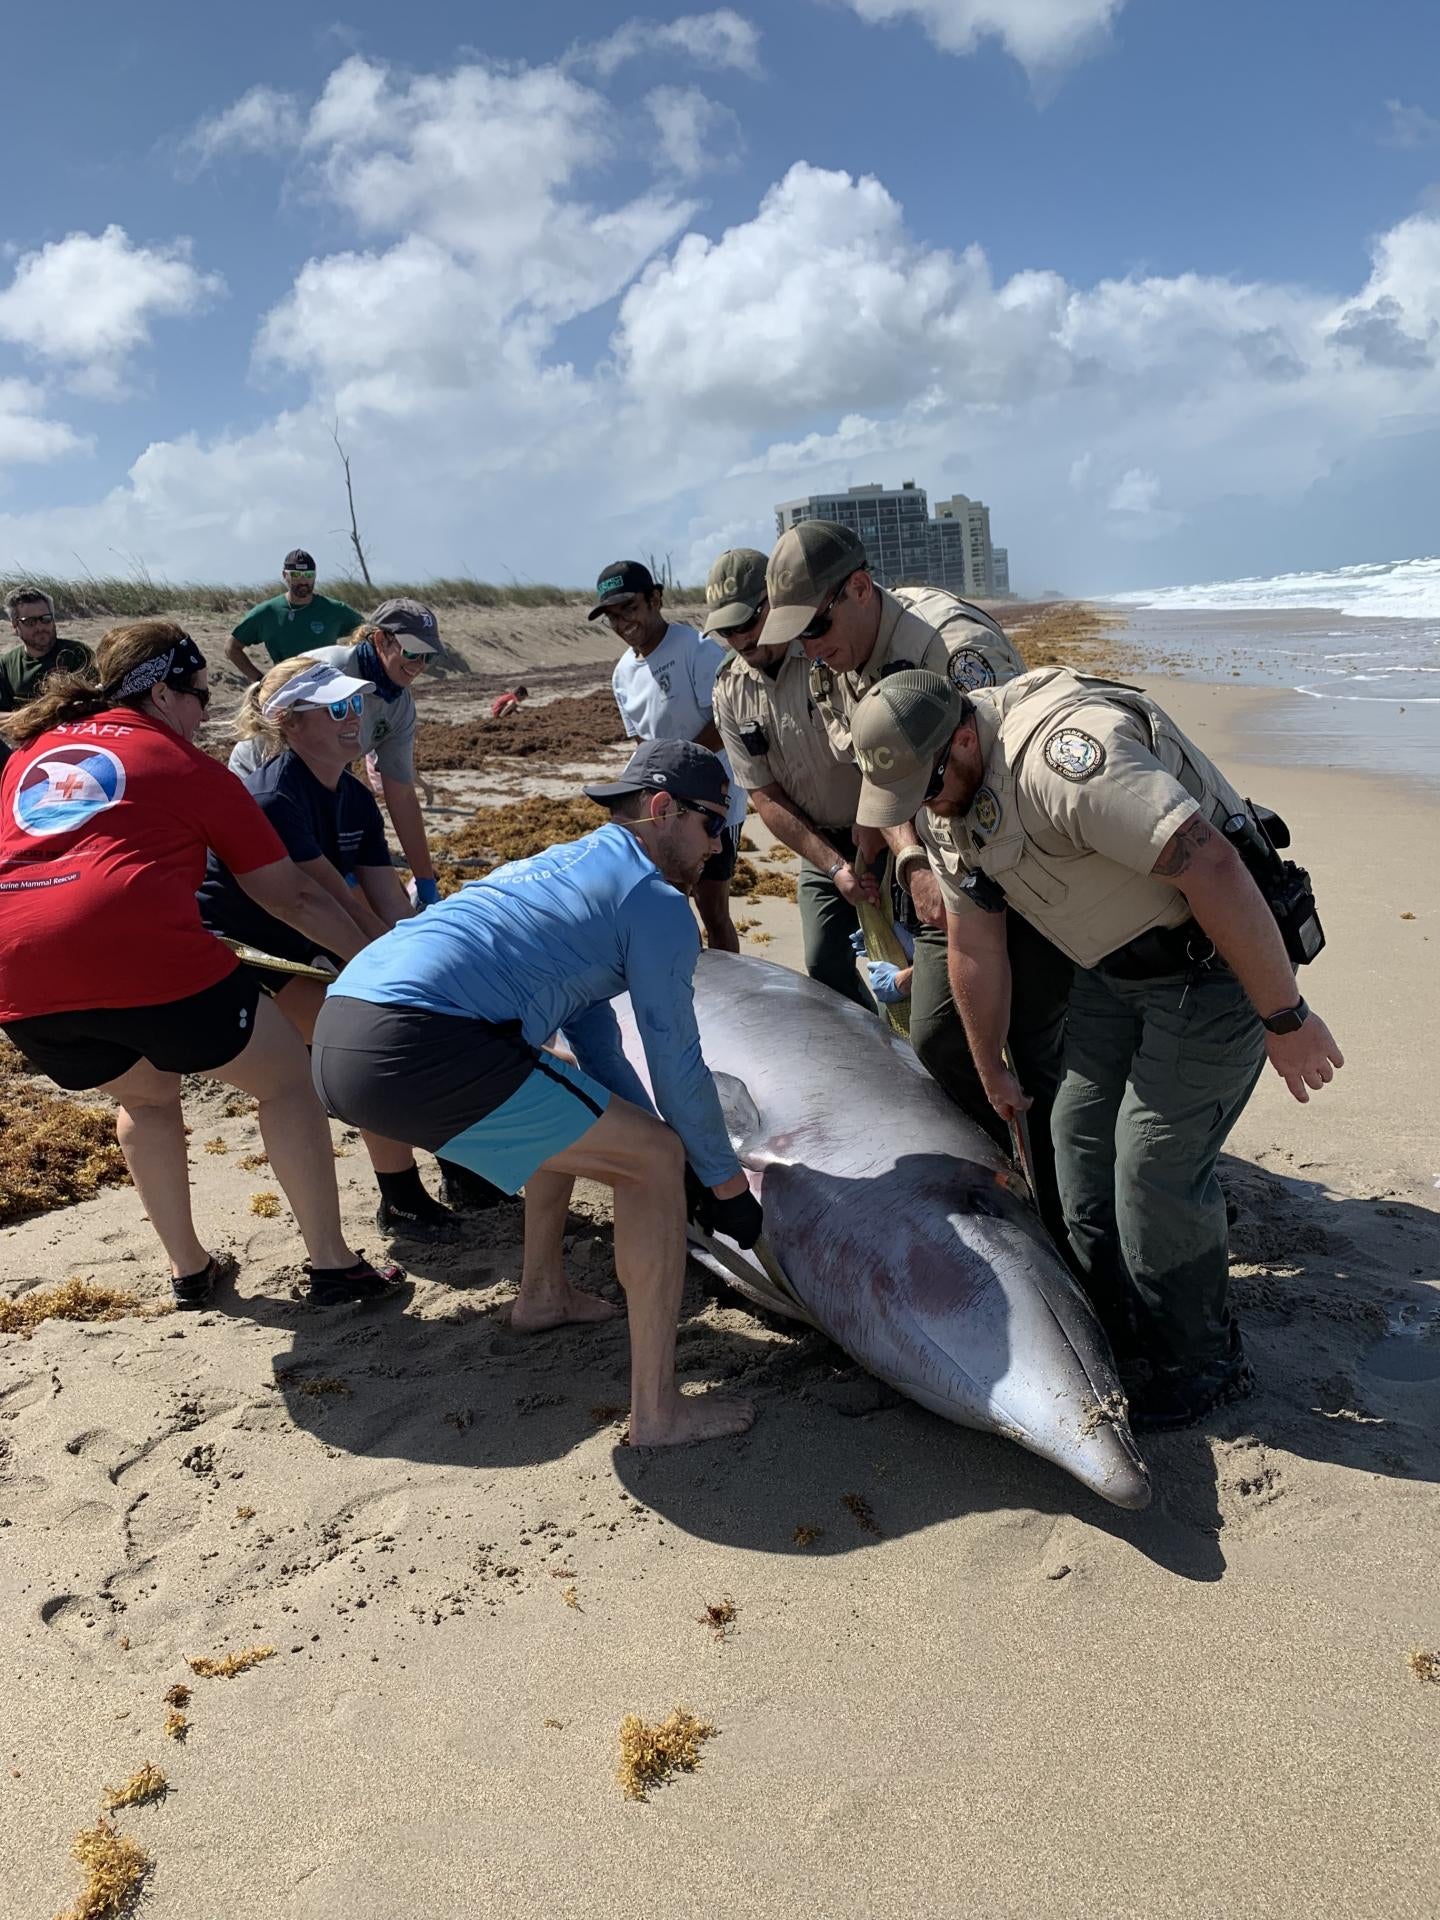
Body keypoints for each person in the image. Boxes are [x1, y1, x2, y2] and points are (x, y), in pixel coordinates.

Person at [848, 664, 1344, 1429]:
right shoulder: (945, 802)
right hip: (1114, 975)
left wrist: (1284, 1018)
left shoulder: (1066, 760)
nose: (926, 810)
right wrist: (990, 1069)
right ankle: (1121, 1325)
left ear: (965, 736)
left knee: (1153, 1165)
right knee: (1076, 1144)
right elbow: (976, 945)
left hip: (1215, 967)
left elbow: (1211, 864)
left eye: (930, 786)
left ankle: (1202, 1361)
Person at [310, 739, 763, 1447]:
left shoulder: (560, 868)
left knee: (579, 1109)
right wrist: (721, 1182)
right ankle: (659, 1412)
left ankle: (542, 1294)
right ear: (662, 809)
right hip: (418, 1040)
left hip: (342, 1031)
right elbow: (677, 1059)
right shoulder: (654, 902)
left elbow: (594, 1045)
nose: (719, 849)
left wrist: (656, 1143)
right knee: (650, 1158)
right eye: (715, 827)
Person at [0, 621, 401, 1308]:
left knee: (146, 1098)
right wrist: (375, 966)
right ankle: (332, 1265)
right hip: (137, 946)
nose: (206, 710)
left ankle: (189, 1269)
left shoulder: (31, 752)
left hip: (19, 971)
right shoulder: (187, 766)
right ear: (161, 692)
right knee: (287, 1082)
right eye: (199, 694)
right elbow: (294, 896)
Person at [762, 519, 1073, 1206]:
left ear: (860, 589)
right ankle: (1006, 1165)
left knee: (1036, 1041)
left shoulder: (955, 651)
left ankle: (1065, 1196)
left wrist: (935, 870)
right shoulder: (832, 664)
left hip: (1015, 863)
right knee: (941, 1036)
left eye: (814, 628)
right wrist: (902, 859)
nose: (809, 650)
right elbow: (885, 777)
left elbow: (1004, 778)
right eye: (797, 639)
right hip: (939, 865)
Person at [198, 656, 461, 1241]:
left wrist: (429, 959)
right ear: (290, 723)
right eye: (336, 707)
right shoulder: (272, 795)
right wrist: (387, 971)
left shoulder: (353, 795)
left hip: (304, 932)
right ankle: (402, 1196)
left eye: (357, 704)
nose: (354, 717)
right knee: (371, 1035)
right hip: (245, 943)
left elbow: (384, 899)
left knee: (415, 1019)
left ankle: (454, 1167)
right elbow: (324, 902)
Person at [705, 547, 877, 1009]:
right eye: (726, 631)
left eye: (747, 623)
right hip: (816, 843)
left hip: (883, 828)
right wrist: (834, 866)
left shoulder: (828, 650)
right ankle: (876, 1043)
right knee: (823, 964)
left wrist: (876, 833)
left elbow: (885, 756)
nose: (739, 640)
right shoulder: (729, 690)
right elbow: (764, 796)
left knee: (905, 955)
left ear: (776, 600)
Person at [230, 599, 443, 909]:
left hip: (326, 785)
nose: (419, 664)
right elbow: (287, 753)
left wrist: (426, 882)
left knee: (385, 899)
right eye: (412, 652)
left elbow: (400, 793)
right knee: (339, 898)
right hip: (266, 774)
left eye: (429, 656)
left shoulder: (400, 705)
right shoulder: (329, 671)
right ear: (381, 639)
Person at [590, 559, 747, 954]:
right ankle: (690, 983)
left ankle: (731, 990)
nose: (622, 621)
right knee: (673, 906)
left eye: (630, 608)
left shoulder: (697, 650)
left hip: (713, 802)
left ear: (655, 599)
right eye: (611, 615)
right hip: (661, 808)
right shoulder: (622, 674)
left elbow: (724, 719)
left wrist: (683, 768)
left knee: (713, 910)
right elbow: (643, 746)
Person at [225, 548, 364, 685]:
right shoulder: (268, 612)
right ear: (285, 575)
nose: (303, 581)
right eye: (296, 575)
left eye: (309, 575)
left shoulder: (334, 609)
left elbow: (368, 633)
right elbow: (232, 648)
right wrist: (260, 681)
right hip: (286, 689)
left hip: (326, 687)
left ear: (315, 576)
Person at [1, 587, 94, 710]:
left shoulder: (77, 653)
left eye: (45, 619)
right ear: (15, 625)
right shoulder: (7, 666)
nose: (40, 627)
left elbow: (99, 699)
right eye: (30, 622)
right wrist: (38, 715)